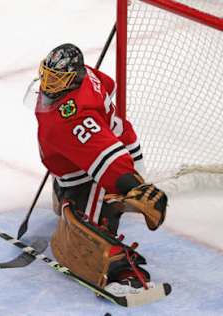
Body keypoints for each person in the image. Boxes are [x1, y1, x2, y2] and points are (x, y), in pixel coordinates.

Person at [27, 43, 168, 296]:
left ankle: (122, 272)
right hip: (98, 148)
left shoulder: (72, 118)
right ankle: (70, 189)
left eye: (57, 79)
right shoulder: (85, 76)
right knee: (73, 178)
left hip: (111, 159)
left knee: (89, 227)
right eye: (48, 76)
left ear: (74, 78)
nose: (48, 85)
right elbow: (109, 83)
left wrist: (132, 186)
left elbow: (106, 160)